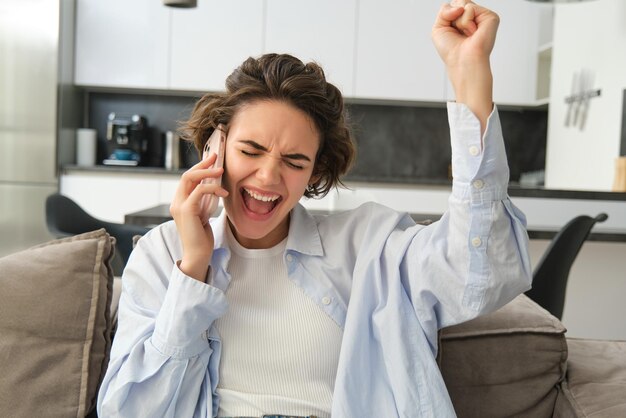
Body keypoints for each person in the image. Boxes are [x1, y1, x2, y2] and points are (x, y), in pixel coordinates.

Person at [98, 1, 531, 417]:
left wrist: (470, 75)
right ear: (216, 147)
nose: (269, 177)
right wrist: (193, 270)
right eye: (251, 150)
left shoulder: (368, 246)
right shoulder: (162, 255)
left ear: (315, 172)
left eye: (294, 161)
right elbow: (129, 411)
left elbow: (482, 272)